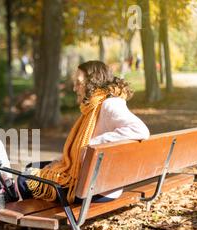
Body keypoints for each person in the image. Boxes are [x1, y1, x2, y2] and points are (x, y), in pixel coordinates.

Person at [18, 60, 150, 204]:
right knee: (33, 167)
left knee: (24, 179)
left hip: (95, 189)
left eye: (78, 83)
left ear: (93, 82)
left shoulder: (110, 104)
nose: (75, 88)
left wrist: (92, 145)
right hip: (99, 183)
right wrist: (62, 159)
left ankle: (37, 221)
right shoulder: (94, 106)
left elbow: (140, 129)